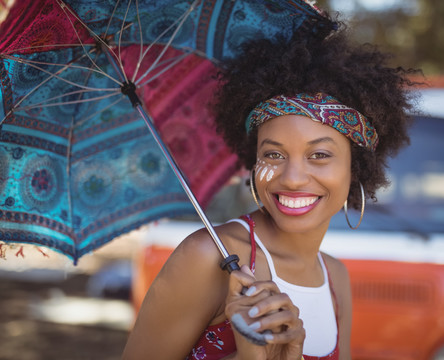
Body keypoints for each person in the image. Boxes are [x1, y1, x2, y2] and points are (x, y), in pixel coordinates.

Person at [122, 14, 418, 360]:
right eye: (274, 154)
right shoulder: (207, 258)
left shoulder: (336, 278)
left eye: (319, 154)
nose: (292, 178)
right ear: (253, 159)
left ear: (357, 167)